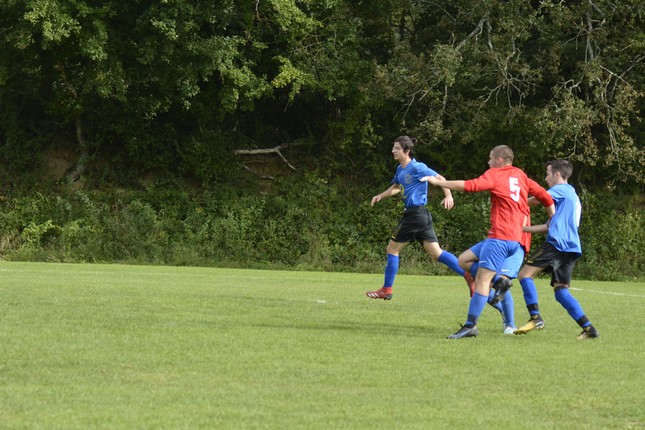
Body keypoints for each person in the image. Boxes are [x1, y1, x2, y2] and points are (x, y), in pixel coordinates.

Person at [422, 145, 554, 339]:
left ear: (499, 160)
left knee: (483, 280)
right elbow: (545, 196)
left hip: (500, 236)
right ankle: (499, 283)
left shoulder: (496, 174)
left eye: (491, 158)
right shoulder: (520, 176)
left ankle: (471, 325)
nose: (488, 162)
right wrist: (552, 220)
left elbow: (470, 186)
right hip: (517, 238)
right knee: (464, 260)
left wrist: (439, 182)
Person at [366, 136, 475, 301]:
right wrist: (381, 196)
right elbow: (397, 187)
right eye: (393, 148)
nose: (393, 151)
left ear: (407, 151)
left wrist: (448, 195)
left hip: (415, 215)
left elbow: (440, 179)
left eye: (397, 148)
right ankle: (467, 274)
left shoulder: (417, 167)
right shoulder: (400, 169)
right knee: (436, 253)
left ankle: (386, 289)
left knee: (392, 249)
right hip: (421, 216)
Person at [514, 159, 600, 339]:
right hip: (571, 247)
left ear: (557, 174)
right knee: (561, 291)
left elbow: (537, 199)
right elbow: (548, 226)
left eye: (548, 174)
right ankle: (589, 329)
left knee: (525, 275)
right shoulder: (571, 196)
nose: (546, 178)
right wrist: (522, 229)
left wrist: (514, 205)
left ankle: (535, 318)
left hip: (557, 243)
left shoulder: (561, 189)